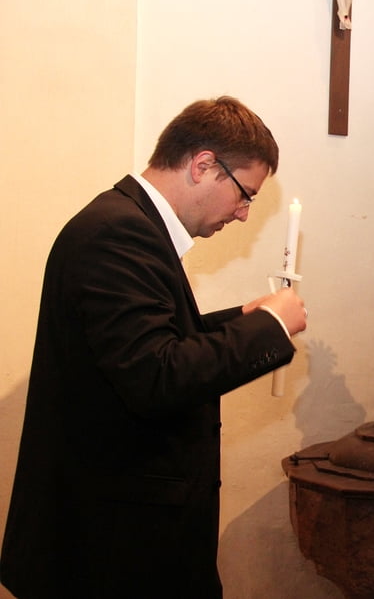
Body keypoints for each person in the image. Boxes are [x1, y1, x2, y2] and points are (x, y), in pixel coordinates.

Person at [0, 96, 307, 599]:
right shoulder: (117, 232)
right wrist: (270, 327)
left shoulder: (129, 223)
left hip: (122, 538)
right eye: (245, 195)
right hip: (108, 550)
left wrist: (242, 318)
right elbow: (157, 377)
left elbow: (149, 342)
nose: (243, 214)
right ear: (203, 164)